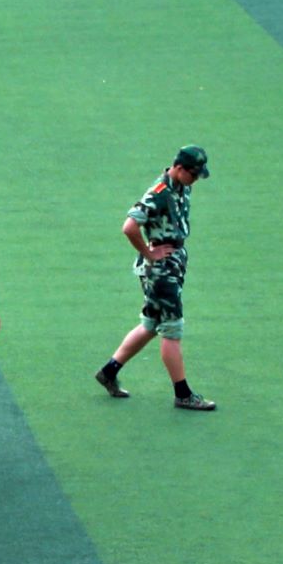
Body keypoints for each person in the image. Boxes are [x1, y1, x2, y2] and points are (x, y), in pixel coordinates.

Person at [96, 145, 215, 410]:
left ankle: (109, 372)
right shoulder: (158, 194)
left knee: (151, 324)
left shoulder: (182, 187)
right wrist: (149, 253)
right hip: (162, 273)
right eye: (193, 174)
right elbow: (129, 226)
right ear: (179, 168)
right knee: (172, 331)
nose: (196, 180)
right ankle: (183, 394)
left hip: (172, 265)